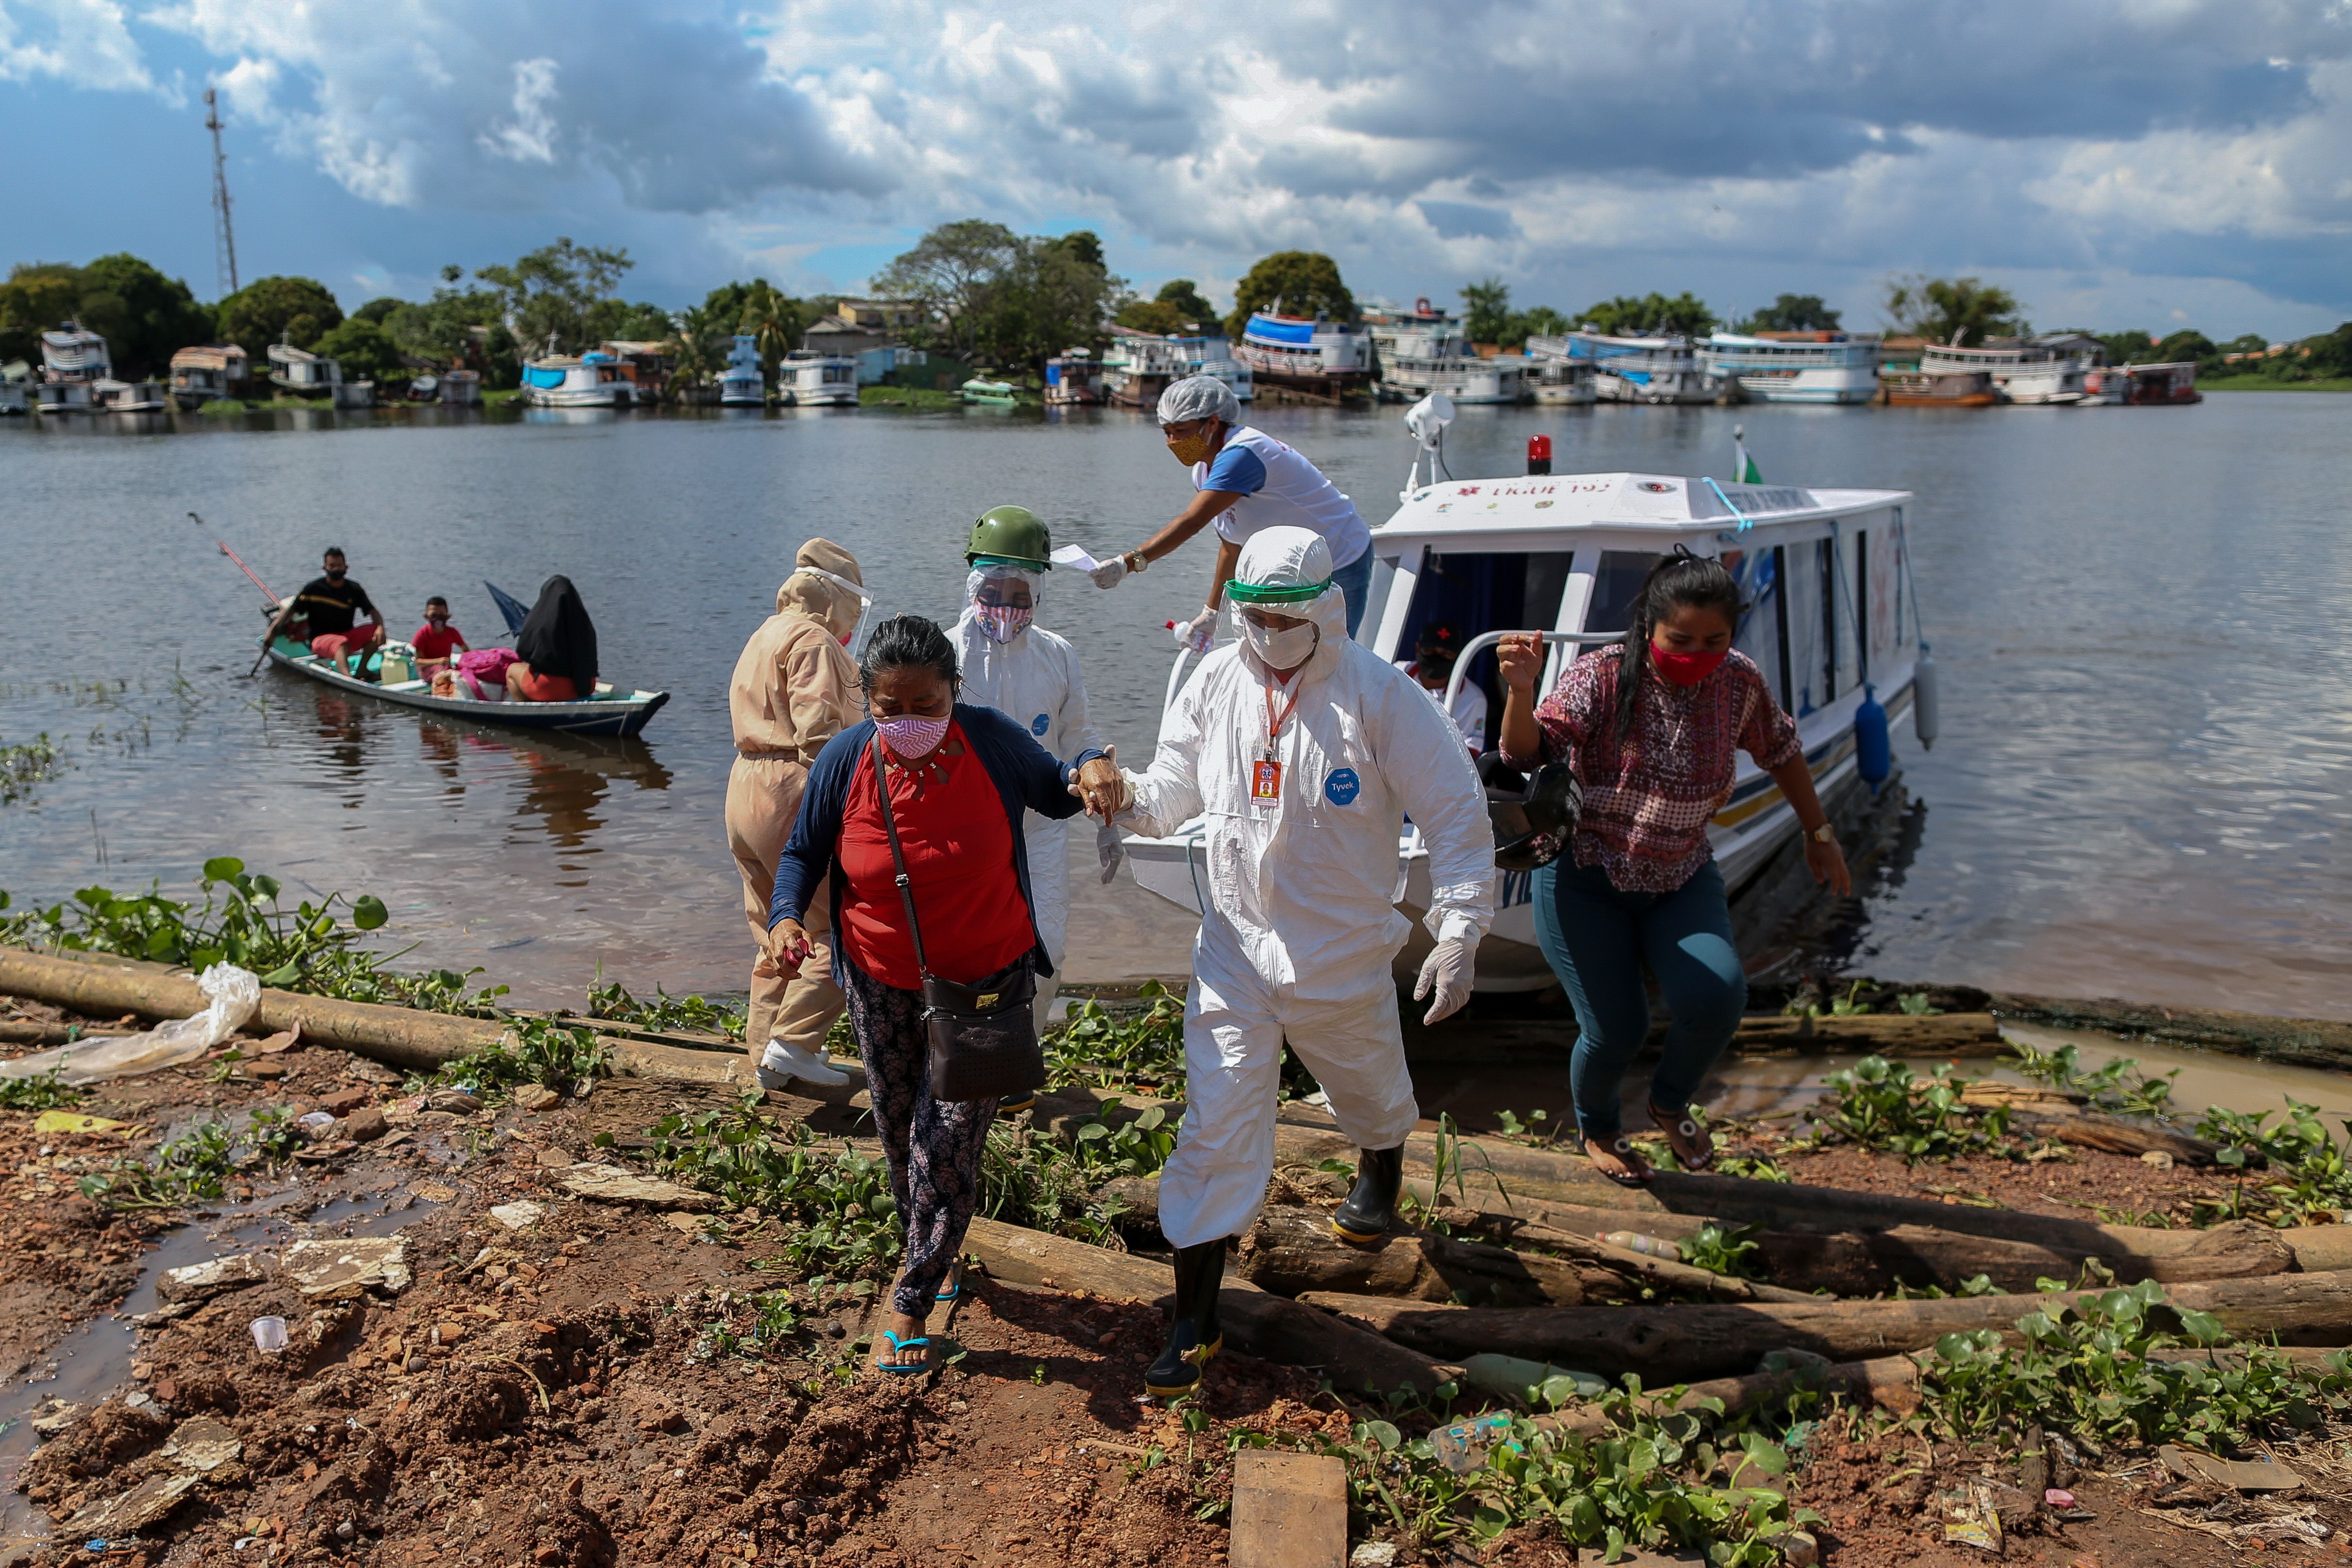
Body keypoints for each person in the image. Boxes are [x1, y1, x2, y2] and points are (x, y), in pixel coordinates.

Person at [1088, 526, 1494, 1399]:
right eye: (1254, 617)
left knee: (1369, 1090)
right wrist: (1123, 796)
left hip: (1340, 954)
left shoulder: (1380, 697)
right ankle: (1193, 1319)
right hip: (1234, 950)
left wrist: (1459, 924)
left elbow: (1455, 814)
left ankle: (1380, 1158)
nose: (1268, 634)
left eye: (1284, 618)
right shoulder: (1212, 682)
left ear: (1325, 610)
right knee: (1214, 1128)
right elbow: (1168, 793)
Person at [765, 615, 1114, 1375]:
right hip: (878, 979)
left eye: (926, 705)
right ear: (868, 701)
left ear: (955, 690)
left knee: (945, 1142)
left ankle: (913, 1296)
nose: (909, 723)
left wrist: (1089, 764)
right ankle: (937, 1246)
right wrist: (786, 918)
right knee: (900, 1132)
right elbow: (802, 854)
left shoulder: (989, 738)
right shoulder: (847, 757)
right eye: (890, 709)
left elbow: (1056, 794)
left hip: (986, 984)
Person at [1494, 548, 1852, 1187]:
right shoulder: (1601, 677)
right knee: (1615, 1028)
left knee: (1717, 995)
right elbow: (1526, 753)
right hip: (1585, 875)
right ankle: (1599, 1127)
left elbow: (1783, 749)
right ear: (1649, 630)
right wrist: (1521, 689)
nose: (1698, 653)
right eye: (1680, 640)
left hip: (1679, 873)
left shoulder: (1738, 681)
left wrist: (1818, 832)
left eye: (1715, 640)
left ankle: (1668, 1103)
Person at [952, 506, 1107, 1034]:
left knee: (1048, 952)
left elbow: (1081, 738)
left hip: (1040, 831)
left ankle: (1019, 1058)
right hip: (961, 834)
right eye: (992, 592)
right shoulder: (944, 655)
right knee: (964, 956)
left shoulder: (1058, 656)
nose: (1003, 606)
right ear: (973, 585)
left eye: (1018, 596)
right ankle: (961, 1063)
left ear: (1038, 595)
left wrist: (1098, 781)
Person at [728, 540, 871, 1091]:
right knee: (845, 920)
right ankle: (794, 1043)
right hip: (789, 784)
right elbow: (817, 731)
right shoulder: (812, 639)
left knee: (775, 923)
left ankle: (764, 1054)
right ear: (837, 599)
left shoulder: (765, 631)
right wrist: (843, 805)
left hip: (744, 783)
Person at [1085, 375, 1377, 645]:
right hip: (1297, 564)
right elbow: (1231, 546)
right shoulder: (1203, 470)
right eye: (1168, 432)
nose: (1173, 442)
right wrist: (1212, 613)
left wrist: (1128, 563)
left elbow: (1191, 522)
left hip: (1341, 557)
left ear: (1212, 423)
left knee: (1330, 655)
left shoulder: (1241, 456)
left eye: (1182, 431)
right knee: (1288, 653)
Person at [280, 547, 384, 678]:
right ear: (325, 568)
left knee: (376, 632)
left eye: (339, 566)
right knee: (341, 643)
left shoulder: (354, 589)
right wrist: (272, 634)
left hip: (346, 636)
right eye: (332, 566)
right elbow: (290, 612)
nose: (336, 570)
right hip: (320, 640)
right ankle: (347, 678)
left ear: (346, 568)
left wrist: (380, 628)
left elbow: (374, 612)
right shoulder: (313, 589)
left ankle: (362, 670)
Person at [1397, 624, 1486, 754]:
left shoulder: (1474, 699)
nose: (1437, 658)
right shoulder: (1395, 673)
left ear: (1458, 657)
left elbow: (1469, 753)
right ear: (1418, 648)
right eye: (1429, 651)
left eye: (1446, 654)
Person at [506, 575, 596, 702]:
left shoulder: (538, 623)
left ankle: (527, 713)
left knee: (512, 670)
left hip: (549, 688)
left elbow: (522, 652)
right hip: (586, 686)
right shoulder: (584, 624)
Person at [410, 597, 470, 679]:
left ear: (448, 617)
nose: (438, 619)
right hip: (427, 670)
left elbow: (466, 651)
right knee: (442, 671)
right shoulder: (422, 634)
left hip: (446, 668)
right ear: (426, 617)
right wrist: (438, 661)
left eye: (442, 616)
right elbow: (418, 662)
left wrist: (464, 665)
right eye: (434, 616)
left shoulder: (452, 632)